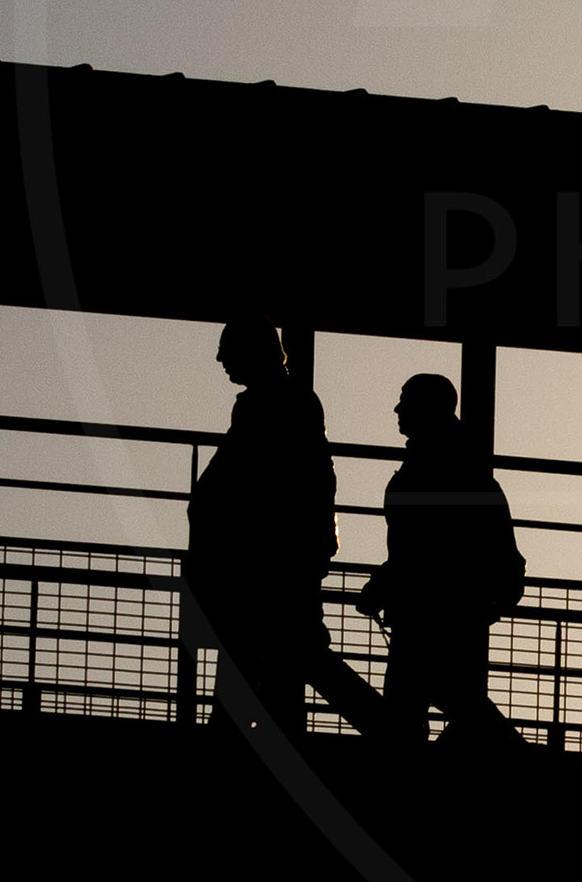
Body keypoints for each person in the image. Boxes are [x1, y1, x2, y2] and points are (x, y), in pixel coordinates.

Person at [187, 322, 403, 744]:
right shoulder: (287, 401)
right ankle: (365, 730)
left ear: (252, 352)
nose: (220, 360)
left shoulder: (269, 406)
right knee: (284, 653)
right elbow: (314, 477)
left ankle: (384, 730)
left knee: (275, 651)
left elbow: (250, 478)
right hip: (284, 552)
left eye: (227, 350)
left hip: (271, 556)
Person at [359, 373, 530, 753]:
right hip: (455, 609)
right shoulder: (459, 463)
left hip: (430, 611)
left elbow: (423, 547)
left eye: (406, 401)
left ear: (426, 408)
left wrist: (384, 585)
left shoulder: (430, 465)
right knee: (454, 702)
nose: (398, 409)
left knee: (420, 705)